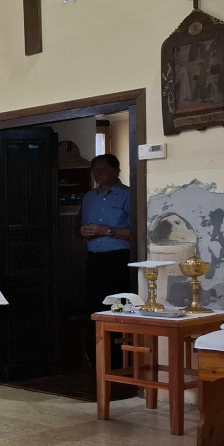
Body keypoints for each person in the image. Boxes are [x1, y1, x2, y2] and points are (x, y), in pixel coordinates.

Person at [80, 153, 132, 367]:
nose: (98, 174)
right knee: (95, 307)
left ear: (116, 170)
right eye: (95, 170)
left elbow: (138, 232)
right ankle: (98, 359)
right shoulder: (89, 197)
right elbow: (82, 225)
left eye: (102, 169)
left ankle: (120, 360)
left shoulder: (128, 195)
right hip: (94, 259)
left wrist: (107, 231)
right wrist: (83, 231)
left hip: (119, 260)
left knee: (118, 308)